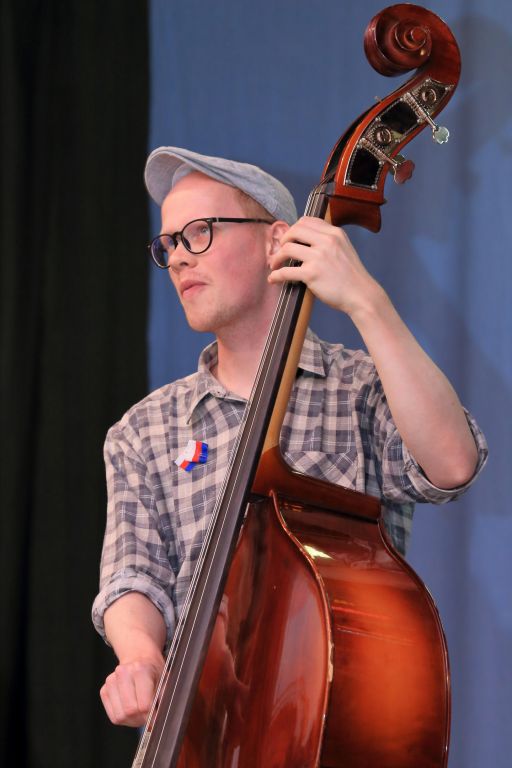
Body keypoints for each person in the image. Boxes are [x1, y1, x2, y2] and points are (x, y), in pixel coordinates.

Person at [92, 146, 487, 728]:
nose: (177, 259)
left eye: (199, 232)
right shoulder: (142, 430)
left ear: (277, 241)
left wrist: (366, 301)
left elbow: (453, 464)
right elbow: (134, 575)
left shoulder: (360, 387)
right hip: (202, 729)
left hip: (336, 723)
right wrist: (141, 659)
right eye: (169, 243)